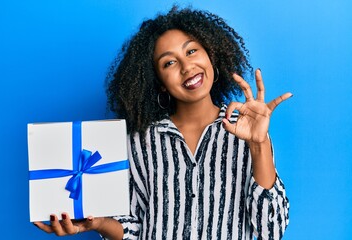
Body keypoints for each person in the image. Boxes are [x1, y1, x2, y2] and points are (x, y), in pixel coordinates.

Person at [34, 6, 291, 240]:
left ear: (212, 56)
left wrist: (259, 146)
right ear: (158, 81)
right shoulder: (139, 140)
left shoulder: (248, 131)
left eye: (191, 51)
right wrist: (99, 223)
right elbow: (134, 228)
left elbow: (271, 230)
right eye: (169, 62)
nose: (186, 66)